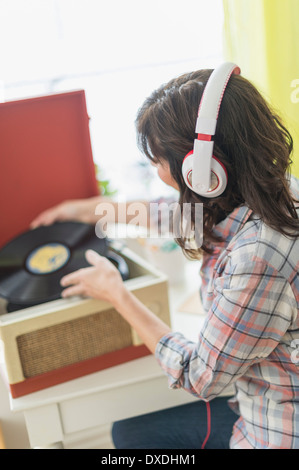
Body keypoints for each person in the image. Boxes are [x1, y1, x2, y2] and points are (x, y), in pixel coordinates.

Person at [31, 63, 299, 449]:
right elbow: (176, 213)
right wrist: (88, 209)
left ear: (201, 171)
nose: (156, 170)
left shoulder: (257, 259)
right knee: (131, 432)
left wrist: (117, 295)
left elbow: (199, 377)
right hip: (258, 393)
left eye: (158, 161)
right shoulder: (273, 190)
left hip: (273, 431)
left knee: (132, 437)